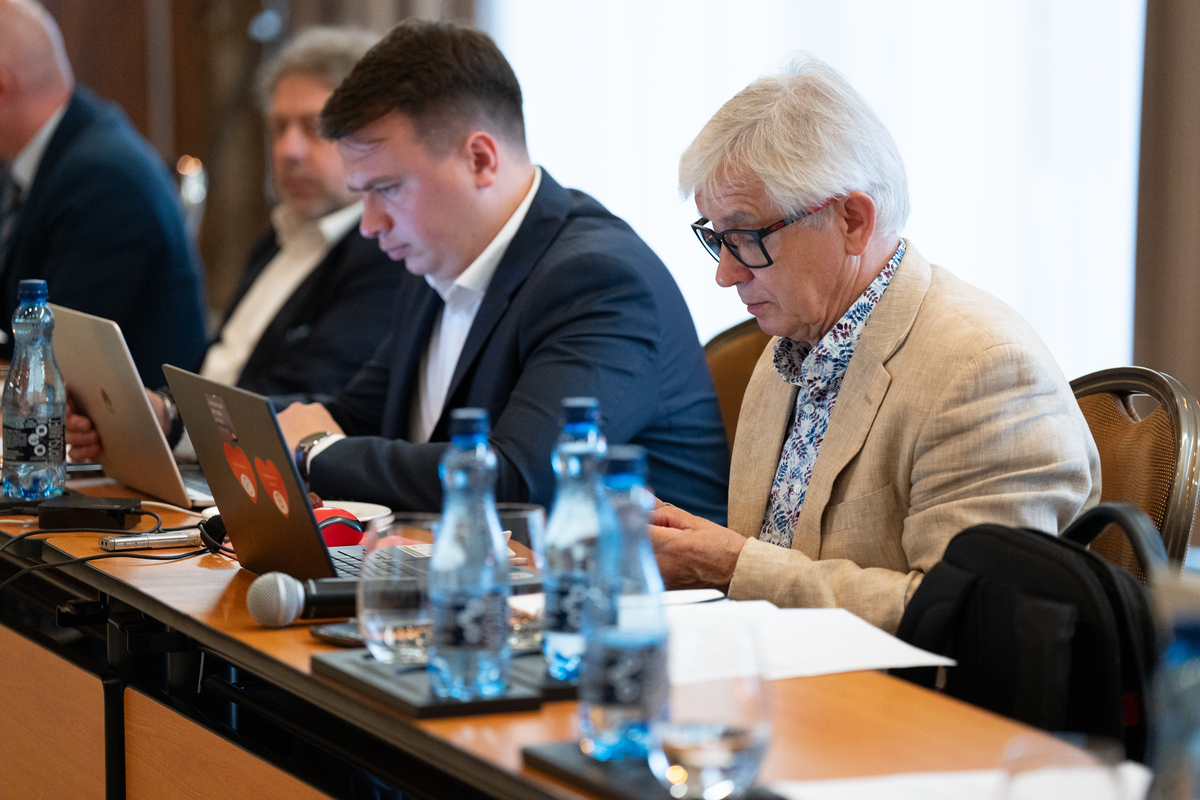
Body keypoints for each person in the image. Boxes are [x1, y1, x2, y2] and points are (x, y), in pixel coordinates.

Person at [648, 57, 1101, 633]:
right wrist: (688, 547)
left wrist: (731, 566)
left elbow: (970, 623)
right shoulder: (787, 354)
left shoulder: (986, 370)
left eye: (746, 237)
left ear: (852, 221)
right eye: (718, 239)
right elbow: (773, 569)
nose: (725, 274)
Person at [274, 20, 729, 521]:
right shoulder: (436, 261)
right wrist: (227, 428)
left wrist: (315, 453)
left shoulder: (601, 280)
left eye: (386, 189)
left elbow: (521, 483)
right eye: (363, 194)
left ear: (480, 159)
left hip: (628, 570)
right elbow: (355, 415)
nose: (370, 224)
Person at [0, 0, 206, 387]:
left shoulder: (102, 179)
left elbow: (53, 361)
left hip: (132, 422)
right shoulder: (31, 159)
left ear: (2, 87)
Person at [198, 26, 399, 399]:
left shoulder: (387, 252)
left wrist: (176, 417)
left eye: (315, 128)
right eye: (278, 129)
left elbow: (306, 392)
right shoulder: (276, 238)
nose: (288, 150)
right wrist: (164, 408)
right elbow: (218, 363)